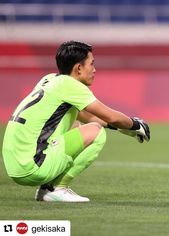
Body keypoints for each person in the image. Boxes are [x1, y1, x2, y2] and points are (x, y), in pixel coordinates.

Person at [2, 41, 150, 203]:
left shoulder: (49, 79)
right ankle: (56, 189)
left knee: (75, 122)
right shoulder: (71, 86)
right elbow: (111, 116)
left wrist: (122, 127)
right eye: (91, 64)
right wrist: (135, 124)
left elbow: (84, 115)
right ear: (79, 68)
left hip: (14, 166)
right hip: (33, 166)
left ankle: (49, 188)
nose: (94, 69)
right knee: (97, 132)